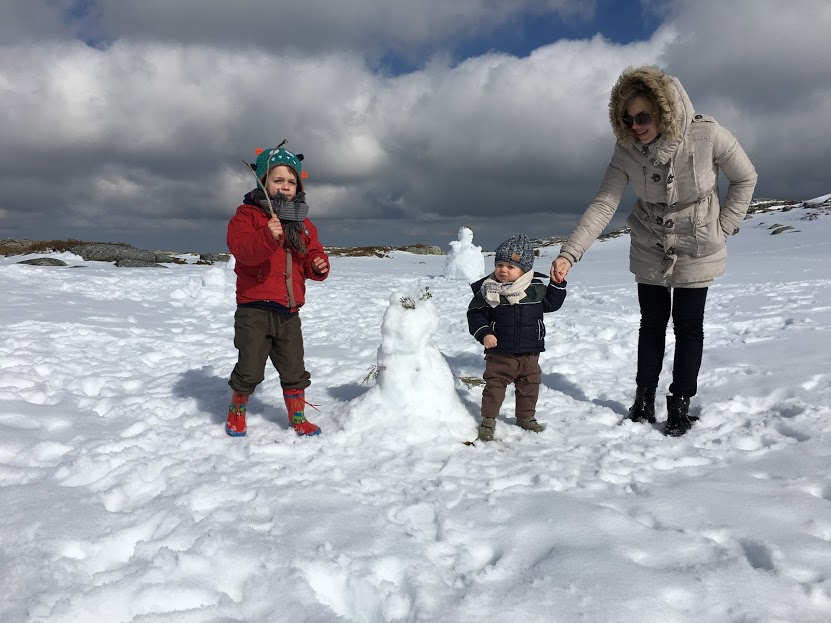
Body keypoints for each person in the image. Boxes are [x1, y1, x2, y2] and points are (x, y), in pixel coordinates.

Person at [550, 65, 757, 436]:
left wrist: (723, 227)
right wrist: (570, 253)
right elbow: (604, 203)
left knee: (689, 326)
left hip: (698, 242)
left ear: (664, 111)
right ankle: (643, 399)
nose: (635, 126)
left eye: (643, 117)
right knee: (652, 323)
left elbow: (745, 177)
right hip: (650, 242)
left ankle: (680, 405)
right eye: (627, 119)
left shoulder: (708, 134)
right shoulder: (626, 150)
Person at [225, 143, 330, 437]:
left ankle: (297, 416)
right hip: (254, 310)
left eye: (291, 181)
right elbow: (243, 251)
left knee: (294, 368)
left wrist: (317, 265)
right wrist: (266, 236)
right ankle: (237, 408)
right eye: (277, 180)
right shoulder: (246, 217)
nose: (285, 186)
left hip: (289, 311)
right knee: (250, 368)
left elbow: (311, 253)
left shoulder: (302, 223)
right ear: (263, 181)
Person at [468, 233, 567, 441]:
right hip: (500, 352)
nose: (503, 270)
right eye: (499, 265)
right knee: (494, 387)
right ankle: (488, 419)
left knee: (529, 386)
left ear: (524, 270)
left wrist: (557, 285)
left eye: (510, 266)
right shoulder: (488, 290)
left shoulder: (535, 289)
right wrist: (485, 333)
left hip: (529, 351)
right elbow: (475, 314)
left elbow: (551, 304)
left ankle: (526, 417)